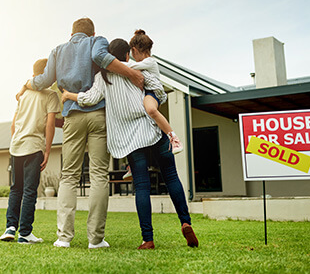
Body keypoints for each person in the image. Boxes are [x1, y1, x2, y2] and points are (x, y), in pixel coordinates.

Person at [17, 18, 144, 249]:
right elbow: (100, 58)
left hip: (72, 117)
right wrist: (132, 74)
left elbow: (45, 80)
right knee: (98, 176)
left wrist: (27, 83)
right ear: (92, 32)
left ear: (72, 33)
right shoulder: (97, 41)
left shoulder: (58, 50)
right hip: (97, 116)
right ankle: (95, 239)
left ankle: (63, 238)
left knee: (69, 176)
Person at [61, 38, 198, 250]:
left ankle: (148, 239)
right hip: (151, 129)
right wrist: (152, 98)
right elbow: (158, 91)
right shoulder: (136, 69)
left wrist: (68, 95)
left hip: (130, 140)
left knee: (142, 186)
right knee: (171, 176)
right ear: (127, 55)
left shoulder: (102, 77)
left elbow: (89, 99)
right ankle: (185, 221)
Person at [0, 58, 60, 244]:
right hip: (33, 147)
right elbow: (50, 124)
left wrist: (16, 141)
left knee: (15, 189)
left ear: (33, 75)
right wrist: (47, 150)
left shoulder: (23, 95)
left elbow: (13, 124)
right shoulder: (50, 95)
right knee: (29, 191)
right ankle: (25, 233)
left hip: (16, 146)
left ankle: (10, 228)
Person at [129, 29, 183, 155]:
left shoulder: (150, 61)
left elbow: (130, 67)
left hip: (153, 93)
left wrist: (112, 63)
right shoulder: (144, 63)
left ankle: (174, 138)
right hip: (145, 94)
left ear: (134, 51)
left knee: (151, 110)